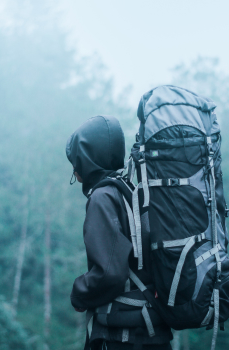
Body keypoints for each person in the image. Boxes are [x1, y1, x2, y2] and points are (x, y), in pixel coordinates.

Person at [66, 116, 172, 350]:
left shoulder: (102, 198)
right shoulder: (132, 191)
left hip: (121, 337)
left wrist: (79, 293)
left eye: (75, 159)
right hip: (154, 331)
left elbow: (109, 274)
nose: (74, 168)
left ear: (86, 158)